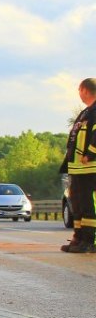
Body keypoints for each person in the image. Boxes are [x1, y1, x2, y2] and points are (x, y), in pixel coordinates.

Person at [60, 77, 96, 253]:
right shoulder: (86, 112)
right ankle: (79, 238)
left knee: (88, 204)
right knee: (78, 203)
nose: (79, 95)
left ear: (84, 90)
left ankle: (89, 241)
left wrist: (91, 154)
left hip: (90, 167)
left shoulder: (95, 111)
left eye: (79, 91)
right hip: (78, 169)